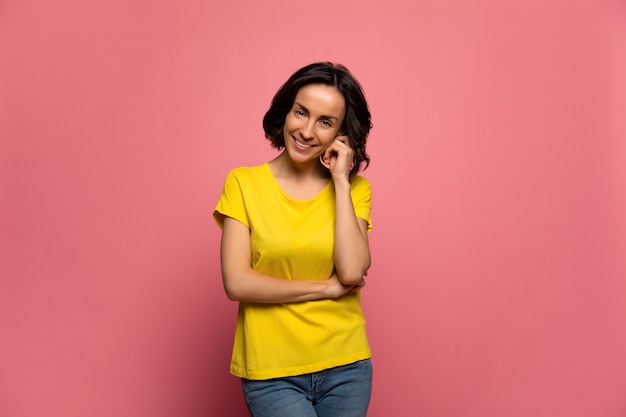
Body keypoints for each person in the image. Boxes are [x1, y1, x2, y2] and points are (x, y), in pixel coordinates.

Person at [213, 62, 374, 417]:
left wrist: (342, 181)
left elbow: (350, 271)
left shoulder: (354, 191)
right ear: (286, 112)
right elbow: (237, 282)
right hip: (272, 370)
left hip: (346, 365)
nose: (307, 131)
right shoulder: (243, 184)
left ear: (342, 133)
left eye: (325, 122)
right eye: (301, 113)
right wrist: (324, 290)